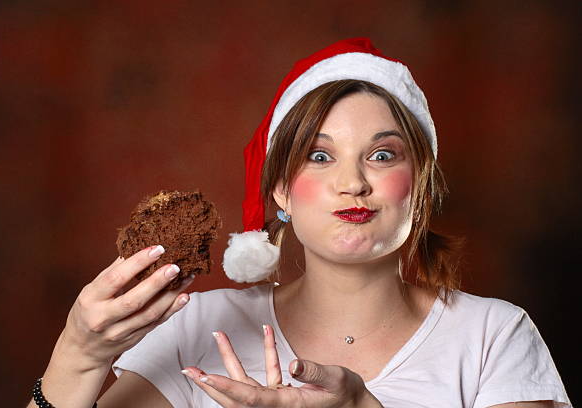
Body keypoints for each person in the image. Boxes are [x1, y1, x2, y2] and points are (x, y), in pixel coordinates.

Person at [28, 38, 571, 408]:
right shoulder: (198, 327)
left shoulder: (492, 337)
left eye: (383, 156)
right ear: (281, 189)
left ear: (420, 183)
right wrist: (79, 352)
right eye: (319, 155)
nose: (353, 182)